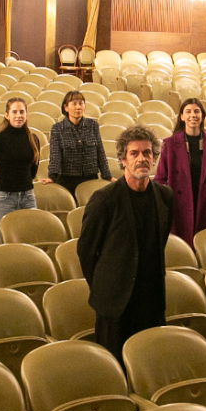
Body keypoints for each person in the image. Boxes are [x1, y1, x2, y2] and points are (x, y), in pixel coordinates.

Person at [77, 124, 173, 362]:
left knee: (149, 365)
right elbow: (86, 251)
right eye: (134, 153)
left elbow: (159, 243)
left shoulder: (165, 196)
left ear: (155, 157)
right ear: (122, 160)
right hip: (115, 304)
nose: (142, 158)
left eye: (147, 153)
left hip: (151, 301)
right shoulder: (104, 199)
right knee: (115, 369)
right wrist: (105, 286)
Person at [154, 98, 206, 246]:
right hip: (179, 204)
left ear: (202, 116)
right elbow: (160, 179)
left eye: (196, 111)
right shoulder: (170, 143)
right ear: (182, 116)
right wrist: (168, 204)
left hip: (205, 200)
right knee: (183, 246)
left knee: (204, 245)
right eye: (188, 111)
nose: (193, 115)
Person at [0, 97, 41, 240]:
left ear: (26, 114)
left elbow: (33, 169)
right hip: (4, 198)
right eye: (14, 112)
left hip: (28, 197)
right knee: (2, 240)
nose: (18, 116)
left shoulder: (33, 139)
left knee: (29, 239)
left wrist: (24, 184)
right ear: (6, 115)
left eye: (22, 112)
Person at [41, 90, 111, 195]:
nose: (78, 107)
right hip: (67, 180)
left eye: (81, 103)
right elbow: (55, 155)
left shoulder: (92, 125)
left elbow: (100, 152)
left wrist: (107, 176)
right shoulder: (58, 128)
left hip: (90, 178)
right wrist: (52, 177)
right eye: (74, 104)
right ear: (66, 107)